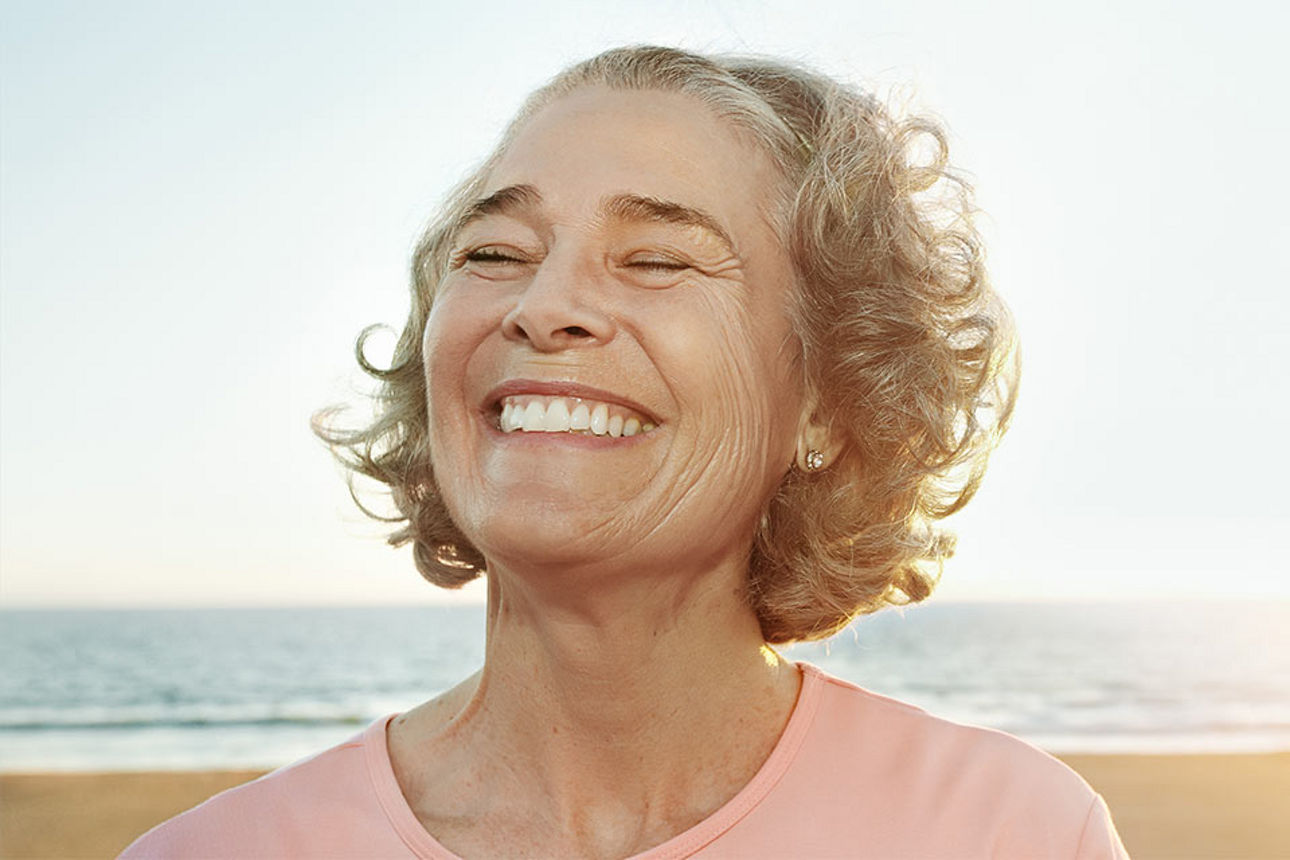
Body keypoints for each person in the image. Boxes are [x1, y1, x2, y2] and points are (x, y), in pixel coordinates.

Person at [122, 45, 1127, 858]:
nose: (543, 305)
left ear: (827, 398)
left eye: (655, 259)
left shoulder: (1013, 831)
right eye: (495, 254)